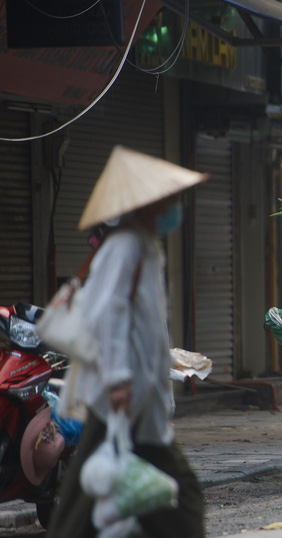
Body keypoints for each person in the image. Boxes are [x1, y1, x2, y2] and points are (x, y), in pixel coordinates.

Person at [48, 145, 208, 538]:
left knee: (90, 505)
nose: (175, 205)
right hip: (124, 399)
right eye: (168, 198)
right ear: (148, 204)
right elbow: (108, 315)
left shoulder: (143, 245)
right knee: (181, 500)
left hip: (134, 401)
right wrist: (119, 377)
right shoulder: (126, 248)